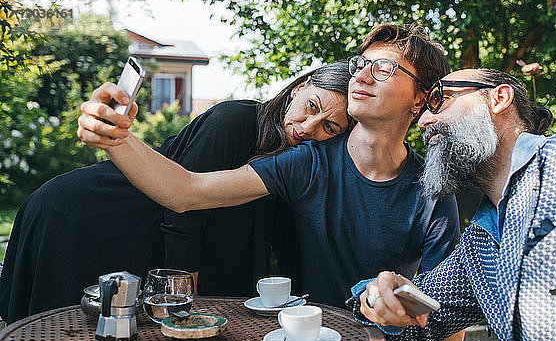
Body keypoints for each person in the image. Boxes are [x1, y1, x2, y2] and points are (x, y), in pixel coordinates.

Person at [78, 23, 465, 341]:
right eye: (361, 64)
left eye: (383, 69)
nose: (362, 76)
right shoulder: (308, 163)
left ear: (419, 98)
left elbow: (448, 331)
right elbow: (187, 191)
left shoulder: (433, 190)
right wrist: (117, 138)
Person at [0, 62, 352, 324]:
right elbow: (184, 213)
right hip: (83, 215)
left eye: (328, 127)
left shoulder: (300, 161)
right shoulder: (238, 120)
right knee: (55, 334)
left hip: (136, 238)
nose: (308, 128)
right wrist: (184, 299)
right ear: (298, 87)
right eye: (312, 107)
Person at [351, 68, 556, 341]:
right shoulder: (477, 246)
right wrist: (379, 298)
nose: (423, 121)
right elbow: (419, 322)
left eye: (438, 101)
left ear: (499, 98)